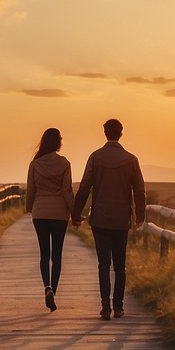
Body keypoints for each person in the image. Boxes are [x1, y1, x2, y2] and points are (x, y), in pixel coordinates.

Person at [73, 118, 146, 320]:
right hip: (122, 219)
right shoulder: (131, 159)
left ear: (105, 133)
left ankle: (105, 307)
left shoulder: (95, 158)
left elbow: (85, 187)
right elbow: (139, 189)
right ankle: (119, 306)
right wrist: (140, 215)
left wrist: (76, 213)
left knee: (103, 264)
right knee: (120, 264)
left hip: (100, 218)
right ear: (121, 133)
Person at [25, 127, 79, 312]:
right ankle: (53, 292)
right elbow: (66, 191)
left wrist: (29, 208)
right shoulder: (64, 163)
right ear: (57, 142)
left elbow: (31, 189)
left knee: (44, 254)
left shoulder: (35, 164)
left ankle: (46, 286)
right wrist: (75, 213)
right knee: (57, 255)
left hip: (40, 212)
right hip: (59, 214)